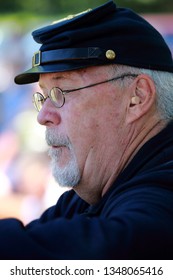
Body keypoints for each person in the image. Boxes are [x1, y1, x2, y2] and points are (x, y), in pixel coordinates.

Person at [1, 0, 173, 260]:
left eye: (62, 92)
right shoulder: (91, 192)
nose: (43, 116)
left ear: (137, 97)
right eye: (44, 96)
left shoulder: (161, 195)